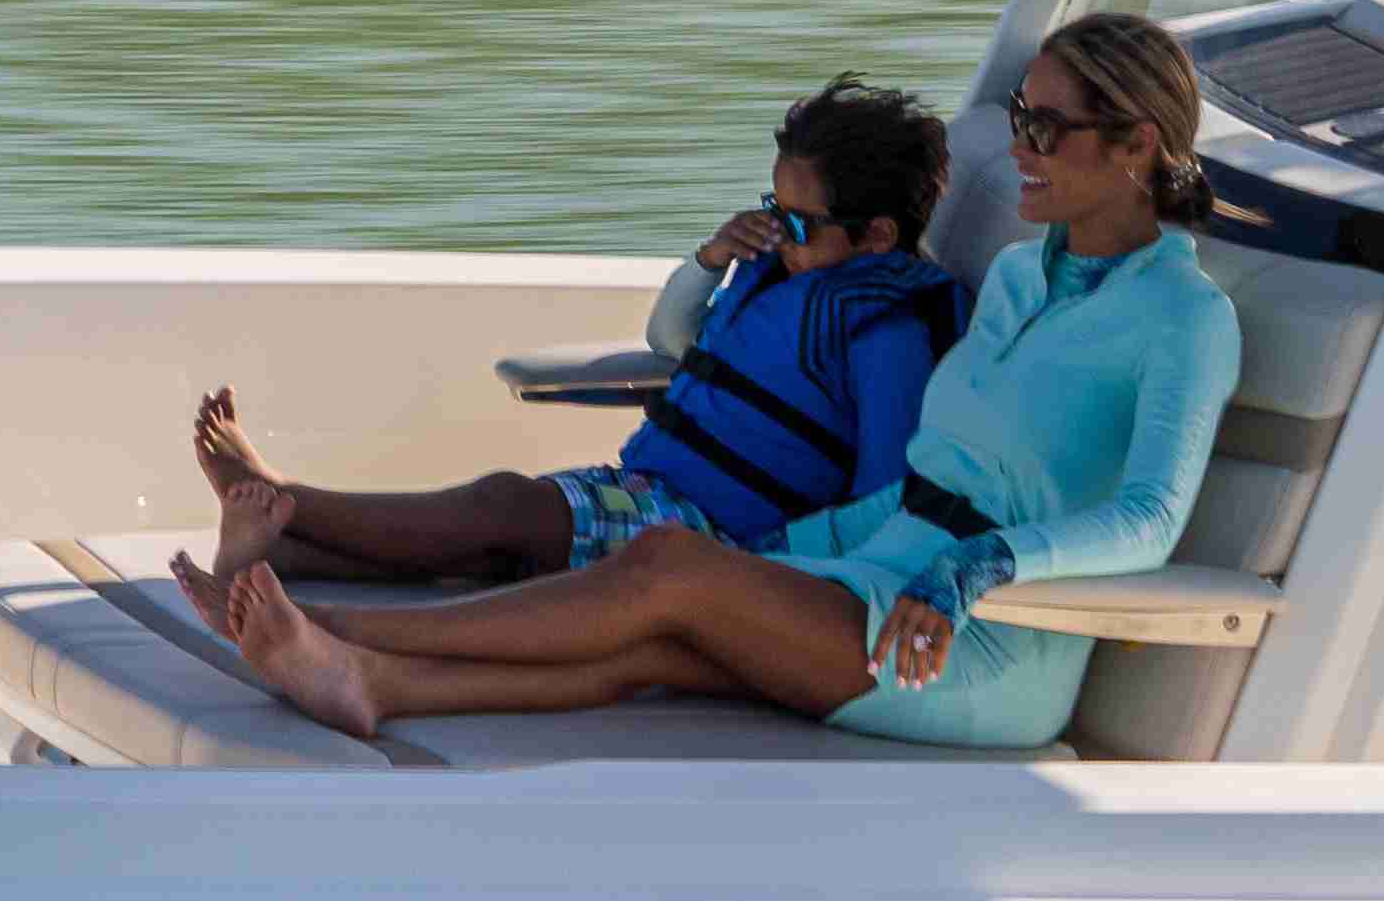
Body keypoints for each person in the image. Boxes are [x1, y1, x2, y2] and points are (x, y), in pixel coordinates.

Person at [178, 12, 1241, 756]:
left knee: (668, 574)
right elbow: (921, 485)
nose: (1018, 151)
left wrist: (982, 564)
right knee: (656, 633)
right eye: (1017, 119)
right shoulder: (1018, 278)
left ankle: (330, 629)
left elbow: (1148, 518)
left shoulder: (1183, 319)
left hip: (980, 645)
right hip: (883, 577)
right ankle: (368, 684)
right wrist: (792, 553)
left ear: (1139, 144)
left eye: (1045, 130)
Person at [192, 79, 961, 594]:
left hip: (715, 535)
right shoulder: (784, 276)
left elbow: (886, 495)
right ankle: (268, 556)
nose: (777, 230)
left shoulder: (886, 334)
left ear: (876, 236)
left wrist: (780, 576)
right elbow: (671, 341)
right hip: (656, 496)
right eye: (772, 204)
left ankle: (282, 501)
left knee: (503, 509)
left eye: (798, 222)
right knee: (493, 550)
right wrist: (711, 261)